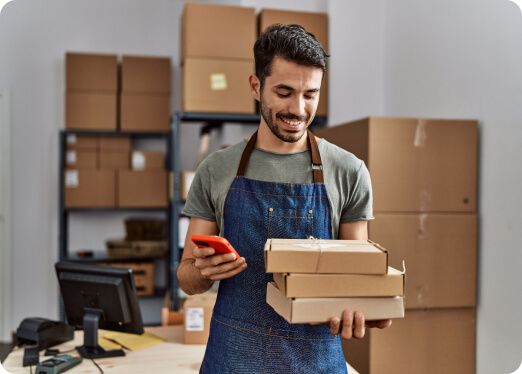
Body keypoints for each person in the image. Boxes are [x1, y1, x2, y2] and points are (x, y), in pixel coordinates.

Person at [177, 23, 391, 373]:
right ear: (256, 86)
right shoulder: (216, 169)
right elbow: (185, 276)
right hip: (234, 360)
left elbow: (354, 276)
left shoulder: (349, 172)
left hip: (316, 361)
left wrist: (359, 308)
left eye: (310, 94)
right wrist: (203, 272)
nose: (298, 109)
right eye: (284, 92)